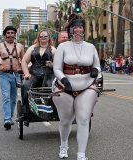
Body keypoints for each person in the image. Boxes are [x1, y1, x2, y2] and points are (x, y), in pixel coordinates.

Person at [52, 13, 100, 160]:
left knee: (84, 119)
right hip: (64, 87)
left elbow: (97, 67)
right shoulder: (63, 46)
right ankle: (64, 145)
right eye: (75, 28)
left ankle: (81, 154)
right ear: (70, 30)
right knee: (65, 120)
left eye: (80, 27)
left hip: (86, 87)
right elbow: (57, 68)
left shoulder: (91, 47)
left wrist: (94, 71)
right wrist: (64, 80)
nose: (78, 30)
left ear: (83, 29)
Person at [20, 29, 56, 123]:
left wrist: (52, 65)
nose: (43, 37)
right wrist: (27, 73)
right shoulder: (32, 48)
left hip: (48, 75)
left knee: (52, 87)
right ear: (38, 38)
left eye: (45, 36)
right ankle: (25, 112)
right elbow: (24, 61)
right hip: (34, 74)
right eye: (41, 36)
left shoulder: (53, 50)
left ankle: (53, 110)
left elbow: (59, 65)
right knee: (25, 86)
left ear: (49, 38)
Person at [0, 26, 25, 129]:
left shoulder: (19, 46)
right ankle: (7, 119)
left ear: (15, 34)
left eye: (12, 33)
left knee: (13, 98)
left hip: (16, 75)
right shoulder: (0, 46)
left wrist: (19, 65)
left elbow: (24, 60)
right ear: (5, 34)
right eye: (8, 33)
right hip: (4, 75)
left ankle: (10, 117)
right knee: (6, 97)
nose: (10, 34)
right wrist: (0, 66)